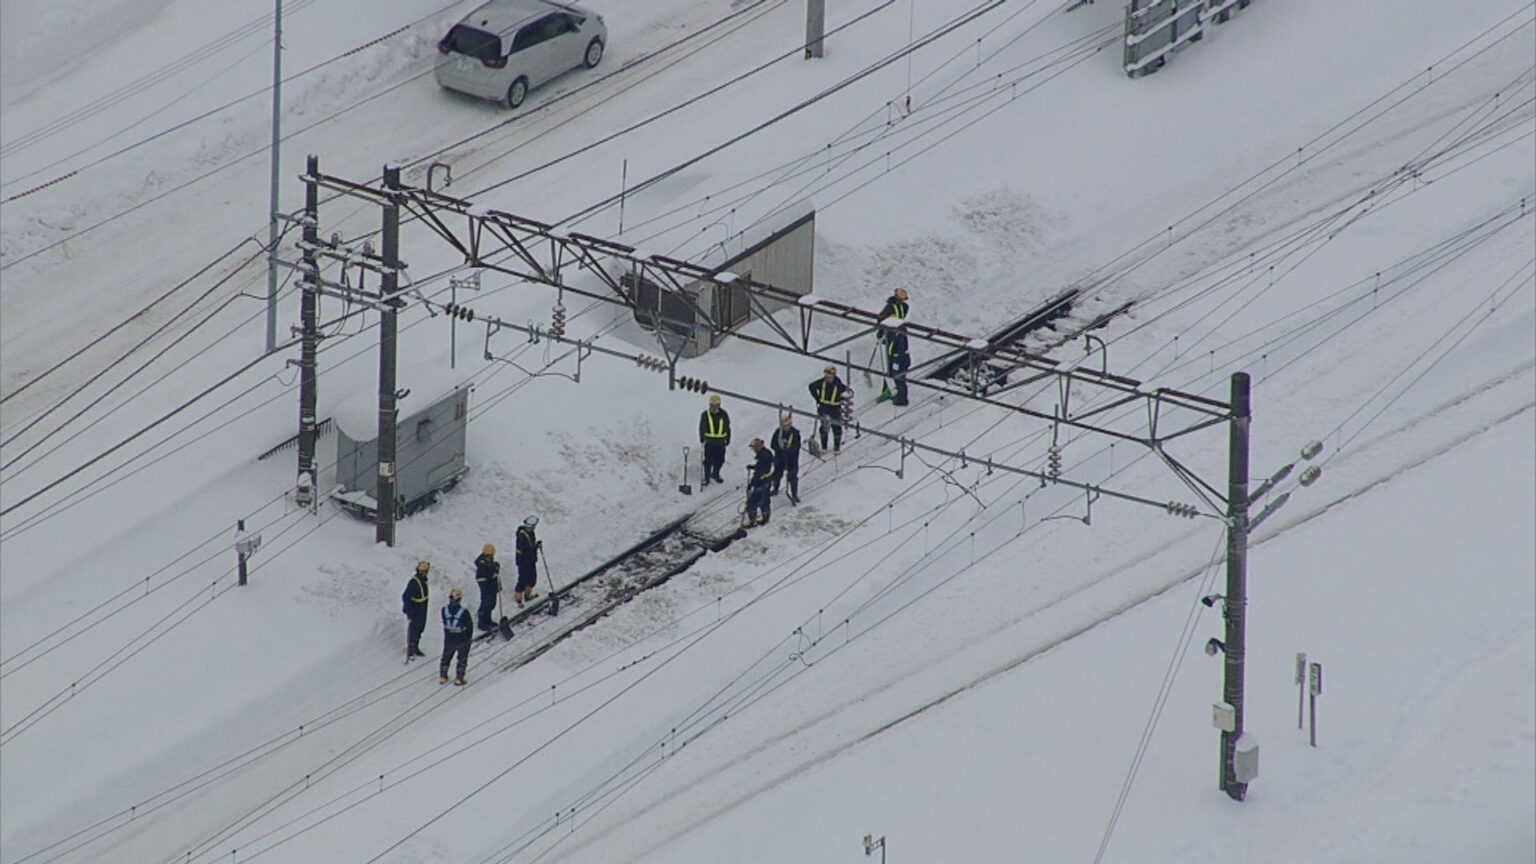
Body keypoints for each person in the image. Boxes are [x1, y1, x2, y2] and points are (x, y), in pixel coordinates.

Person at [807, 366, 849, 453]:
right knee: (824, 427)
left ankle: (836, 448)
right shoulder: (821, 383)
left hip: (834, 409)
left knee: (836, 427)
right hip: (824, 407)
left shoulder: (838, 384)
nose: (827, 378)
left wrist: (843, 398)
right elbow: (811, 386)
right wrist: (817, 398)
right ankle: (824, 447)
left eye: (829, 376)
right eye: (826, 376)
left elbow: (847, 392)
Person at [439, 588, 473, 685]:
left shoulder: (444, 611)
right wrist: (468, 639)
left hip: (449, 636)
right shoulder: (464, 612)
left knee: (446, 656)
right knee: (462, 657)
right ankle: (459, 677)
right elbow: (469, 627)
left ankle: (443, 675)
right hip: (462, 637)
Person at [698, 394, 731, 486]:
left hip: (720, 442)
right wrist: (701, 437)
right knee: (708, 461)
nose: (713, 407)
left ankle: (715, 474)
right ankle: (707, 478)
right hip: (710, 441)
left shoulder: (724, 414)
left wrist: (728, 438)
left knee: (720, 460)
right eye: (712, 405)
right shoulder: (705, 414)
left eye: (715, 405)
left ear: (719, 405)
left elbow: (727, 427)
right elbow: (701, 427)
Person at [770, 413, 801, 504]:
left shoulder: (795, 433)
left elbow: (796, 446)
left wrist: (788, 450)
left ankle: (794, 494)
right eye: (784, 426)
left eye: (787, 426)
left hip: (792, 459)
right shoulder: (778, 432)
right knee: (777, 474)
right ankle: (775, 488)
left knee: (792, 476)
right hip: (780, 457)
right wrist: (779, 449)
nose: (786, 427)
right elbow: (773, 444)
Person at [401, 561, 430, 659]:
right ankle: (410, 651)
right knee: (413, 630)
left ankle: (416, 647)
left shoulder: (423, 580)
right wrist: (409, 613)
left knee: (420, 628)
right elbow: (406, 597)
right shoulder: (414, 582)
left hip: (423, 607)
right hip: (416, 609)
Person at [745, 438, 775, 526]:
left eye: (754, 448)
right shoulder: (767, 453)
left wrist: (751, 484)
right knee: (765, 500)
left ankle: (752, 521)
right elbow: (763, 466)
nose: (753, 450)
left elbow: (759, 472)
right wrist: (753, 467)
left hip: (761, 482)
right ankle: (766, 518)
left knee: (752, 502)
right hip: (767, 481)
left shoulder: (763, 457)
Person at [514, 515, 542, 607]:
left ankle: (528, 595)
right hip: (523, 561)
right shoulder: (522, 536)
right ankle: (518, 598)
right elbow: (526, 550)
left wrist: (535, 547)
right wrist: (535, 548)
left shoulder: (531, 533)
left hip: (531, 560)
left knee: (532, 578)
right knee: (523, 579)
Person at [474, 543, 502, 631]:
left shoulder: (489, 561)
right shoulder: (482, 565)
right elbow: (483, 576)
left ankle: (488, 620)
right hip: (486, 587)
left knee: (491, 604)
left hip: (491, 587)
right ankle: (482, 623)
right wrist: (492, 574)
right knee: (486, 604)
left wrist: (496, 567)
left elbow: (493, 567)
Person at [885, 325, 911, 407]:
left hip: (900, 361)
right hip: (896, 360)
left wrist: (895, 360)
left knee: (900, 378)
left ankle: (902, 399)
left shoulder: (901, 336)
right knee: (897, 378)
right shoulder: (895, 334)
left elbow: (900, 350)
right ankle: (898, 395)